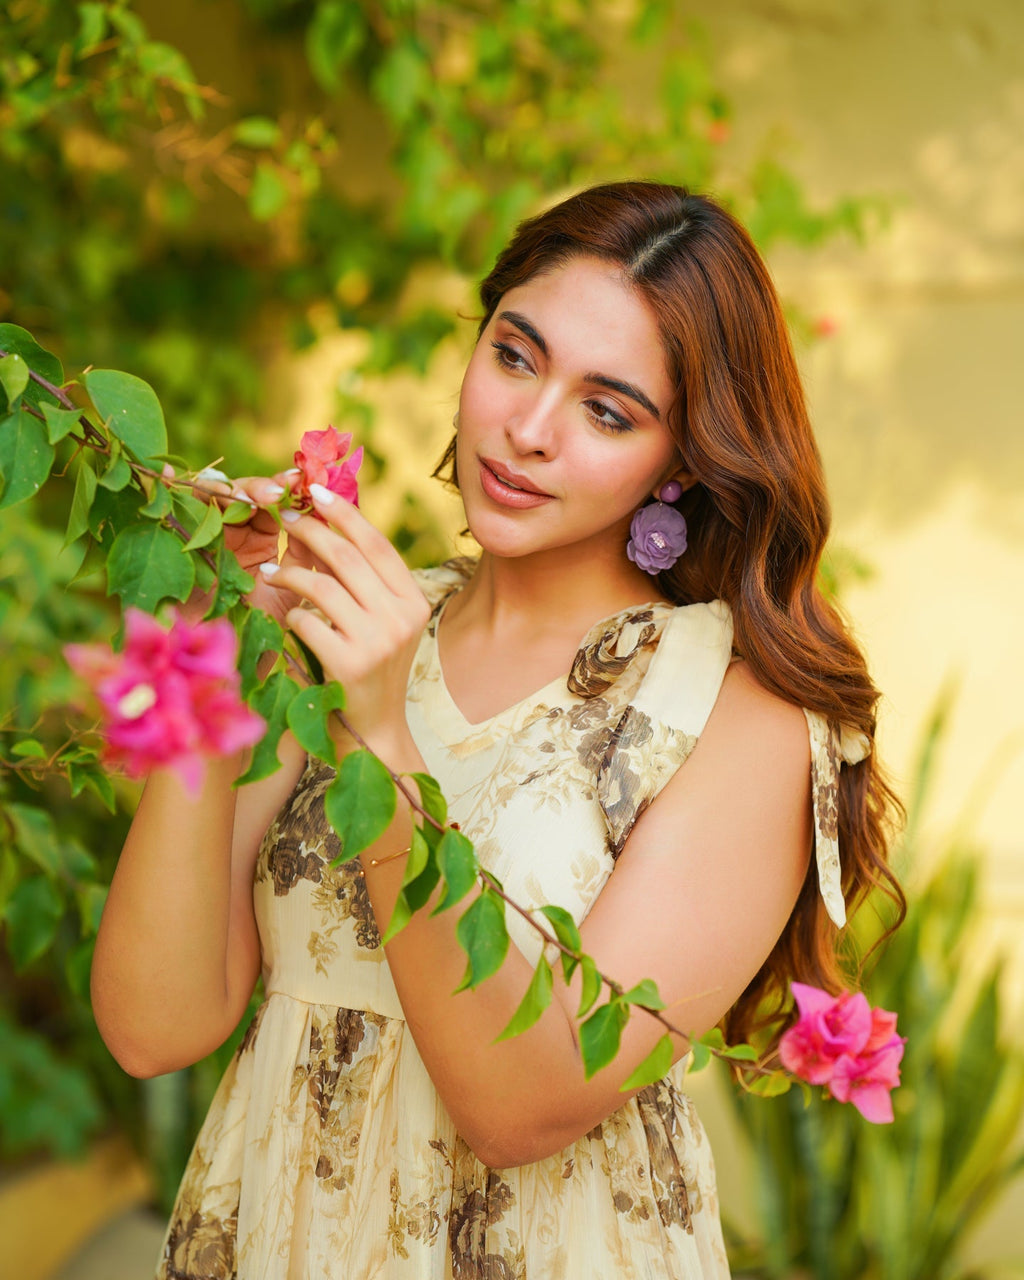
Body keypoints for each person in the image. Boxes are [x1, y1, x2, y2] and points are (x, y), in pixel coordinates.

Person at [91, 181, 902, 1279]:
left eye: (607, 410)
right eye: (516, 356)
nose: (526, 429)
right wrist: (209, 658)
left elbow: (522, 1105)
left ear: (681, 460)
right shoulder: (360, 625)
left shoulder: (734, 711)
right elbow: (156, 1024)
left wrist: (382, 732)